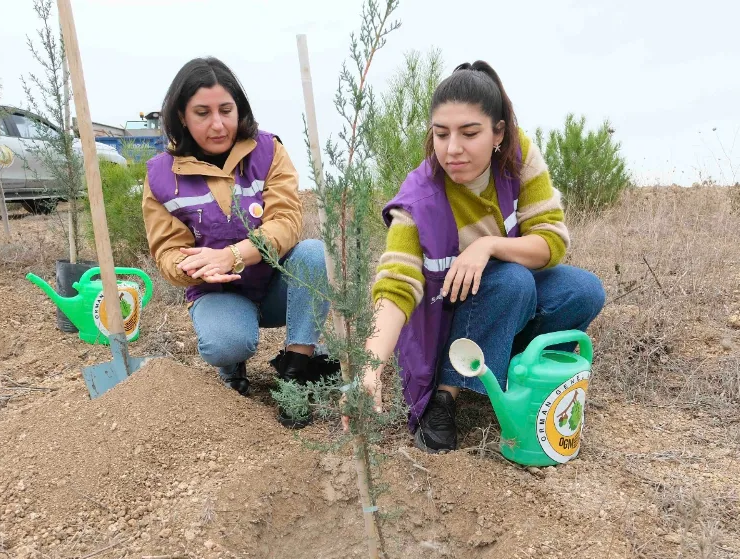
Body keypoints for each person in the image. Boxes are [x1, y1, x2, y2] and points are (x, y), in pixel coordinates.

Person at [361, 61, 606, 453]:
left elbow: (551, 241)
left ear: (498, 134)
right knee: (513, 280)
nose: (452, 149)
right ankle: (446, 395)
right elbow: (396, 286)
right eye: (441, 134)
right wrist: (369, 368)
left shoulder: (519, 157)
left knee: (583, 290)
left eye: (469, 133)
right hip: (445, 320)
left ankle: (516, 373)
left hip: (503, 298)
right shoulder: (420, 198)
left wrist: (487, 246)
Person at [143, 56, 336, 428]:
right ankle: (232, 365)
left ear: (239, 108)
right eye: (202, 112)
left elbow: (286, 221)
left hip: (276, 285)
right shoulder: (161, 176)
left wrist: (233, 256)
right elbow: (166, 251)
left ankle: (295, 371)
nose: (218, 124)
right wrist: (191, 267)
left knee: (314, 253)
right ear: (182, 116)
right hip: (219, 294)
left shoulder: (268, 151)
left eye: (226, 110)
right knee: (228, 342)